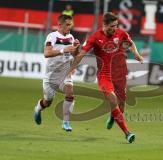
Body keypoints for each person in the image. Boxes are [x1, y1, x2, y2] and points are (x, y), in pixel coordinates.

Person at [67, 12, 143, 143]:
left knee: (121, 107)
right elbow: (82, 53)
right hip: (104, 75)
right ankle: (127, 133)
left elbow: (130, 43)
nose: (115, 29)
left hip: (119, 73)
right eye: (112, 26)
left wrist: (135, 53)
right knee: (113, 100)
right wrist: (72, 67)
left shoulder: (120, 33)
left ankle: (113, 116)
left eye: (116, 26)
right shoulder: (95, 37)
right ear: (104, 24)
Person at [33, 15, 80, 132]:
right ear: (60, 25)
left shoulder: (71, 37)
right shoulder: (52, 36)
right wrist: (63, 50)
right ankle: (38, 109)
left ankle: (66, 121)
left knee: (70, 94)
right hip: (51, 74)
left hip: (65, 72)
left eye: (71, 24)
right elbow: (46, 53)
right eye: (67, 24)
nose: (70, 27)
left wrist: (76, 48)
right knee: (47, 101)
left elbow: (75, 54)